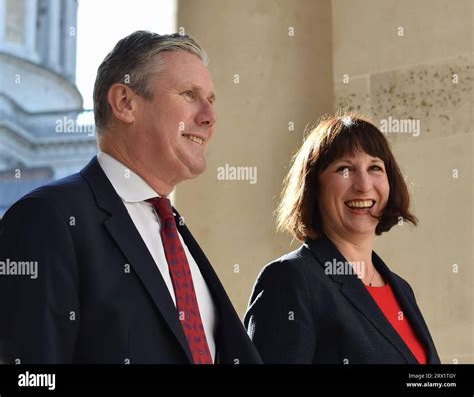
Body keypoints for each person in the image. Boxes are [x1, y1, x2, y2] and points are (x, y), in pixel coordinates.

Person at [0, 31, 261, 364]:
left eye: (211, 99)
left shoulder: (174, 232)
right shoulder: (47, 219)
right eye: (189, 95)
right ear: (125, 103)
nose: (210, 116)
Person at [244, 114, 440, 364]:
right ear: (315, 186)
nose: (363, 185)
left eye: (375, 167)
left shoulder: (401, 289)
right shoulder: (291, 280)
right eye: (344, 169)